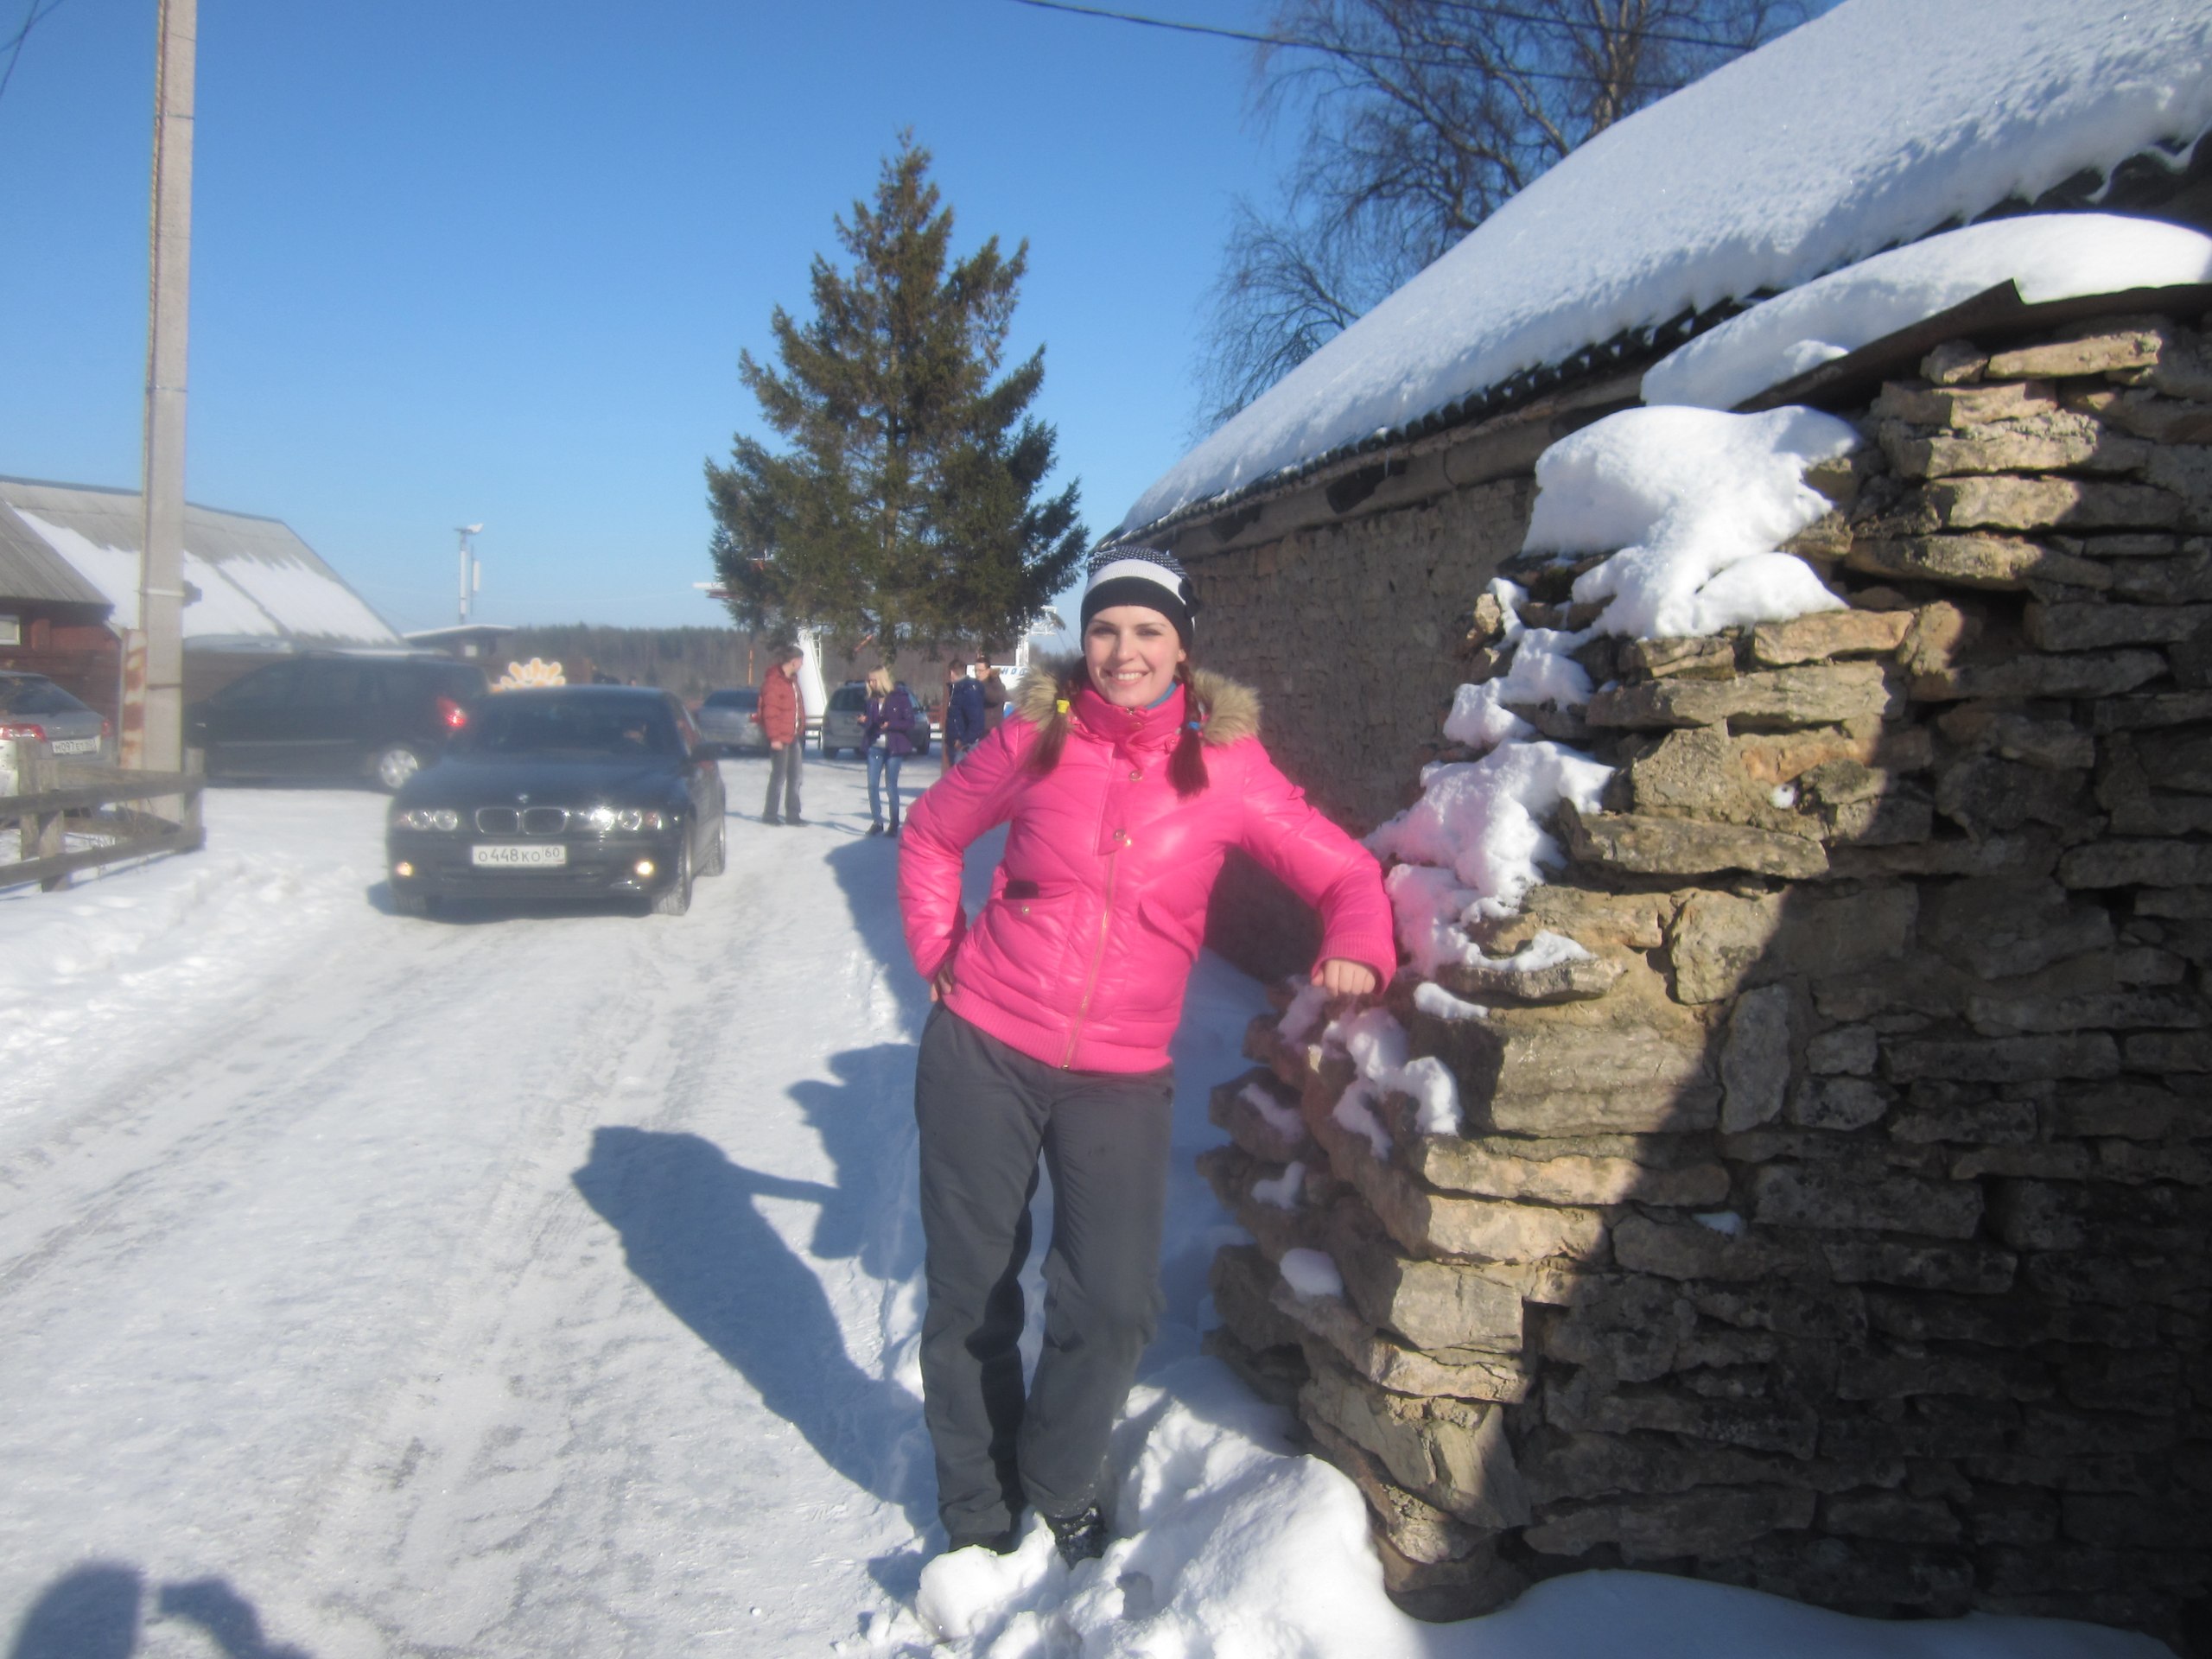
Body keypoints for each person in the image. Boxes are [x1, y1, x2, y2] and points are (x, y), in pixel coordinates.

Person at [897, 548, 1395, 1566]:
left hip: (1120, 1071)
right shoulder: (1036, 735)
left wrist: (1356, 938)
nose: (1123, 651)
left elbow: (1345, 872)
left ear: (1182, 648)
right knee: (970, 1290)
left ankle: (1059, 1479)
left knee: (1114, 1302)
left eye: (1147, 631)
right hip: (985, 1043)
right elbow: (933, 835)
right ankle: (976, 1512)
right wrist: (937, 953)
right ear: (1084, 639)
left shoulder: (1227, 768)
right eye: (1105, 629)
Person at [862, 667, 920, 836]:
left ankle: (894, 823)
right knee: (872, 785)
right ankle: (877, 821)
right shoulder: (871, 700)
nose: (870, 684)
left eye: (873, 680)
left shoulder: (899, 697)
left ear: (881, 680)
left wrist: (891, 725)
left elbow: (909, 722)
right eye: (868, 680)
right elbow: (870, 723)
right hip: (875, 746)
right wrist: (864, 720)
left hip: (894, 747)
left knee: (890, 786)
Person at [757, 641, 804, 825]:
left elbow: (796, 707)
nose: (801, 665)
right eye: (800, 661)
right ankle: (770, 814)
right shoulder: (774, 683)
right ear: (793, 661)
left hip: (793, 735)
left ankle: (793, 814)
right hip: (780, 737)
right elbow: (770, 712)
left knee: (796, 777)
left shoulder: (792, 681)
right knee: (779, 776)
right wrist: (774, 738)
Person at [944, 661, 986, 767]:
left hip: (964, 746)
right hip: (957, 743)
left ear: (952, 673)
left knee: (962, 774)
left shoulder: (967, 690)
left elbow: (976, 721)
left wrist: (964, 741)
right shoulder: (957, 689)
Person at [974, 656, 1008, 734]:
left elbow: (996, 698)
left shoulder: (996, 684)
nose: (977, 674)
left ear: (988, 671)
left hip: (992, 731)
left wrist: (980, 688)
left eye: (980, 671)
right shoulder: (975, 684)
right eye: (975, 670)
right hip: (977, 730)